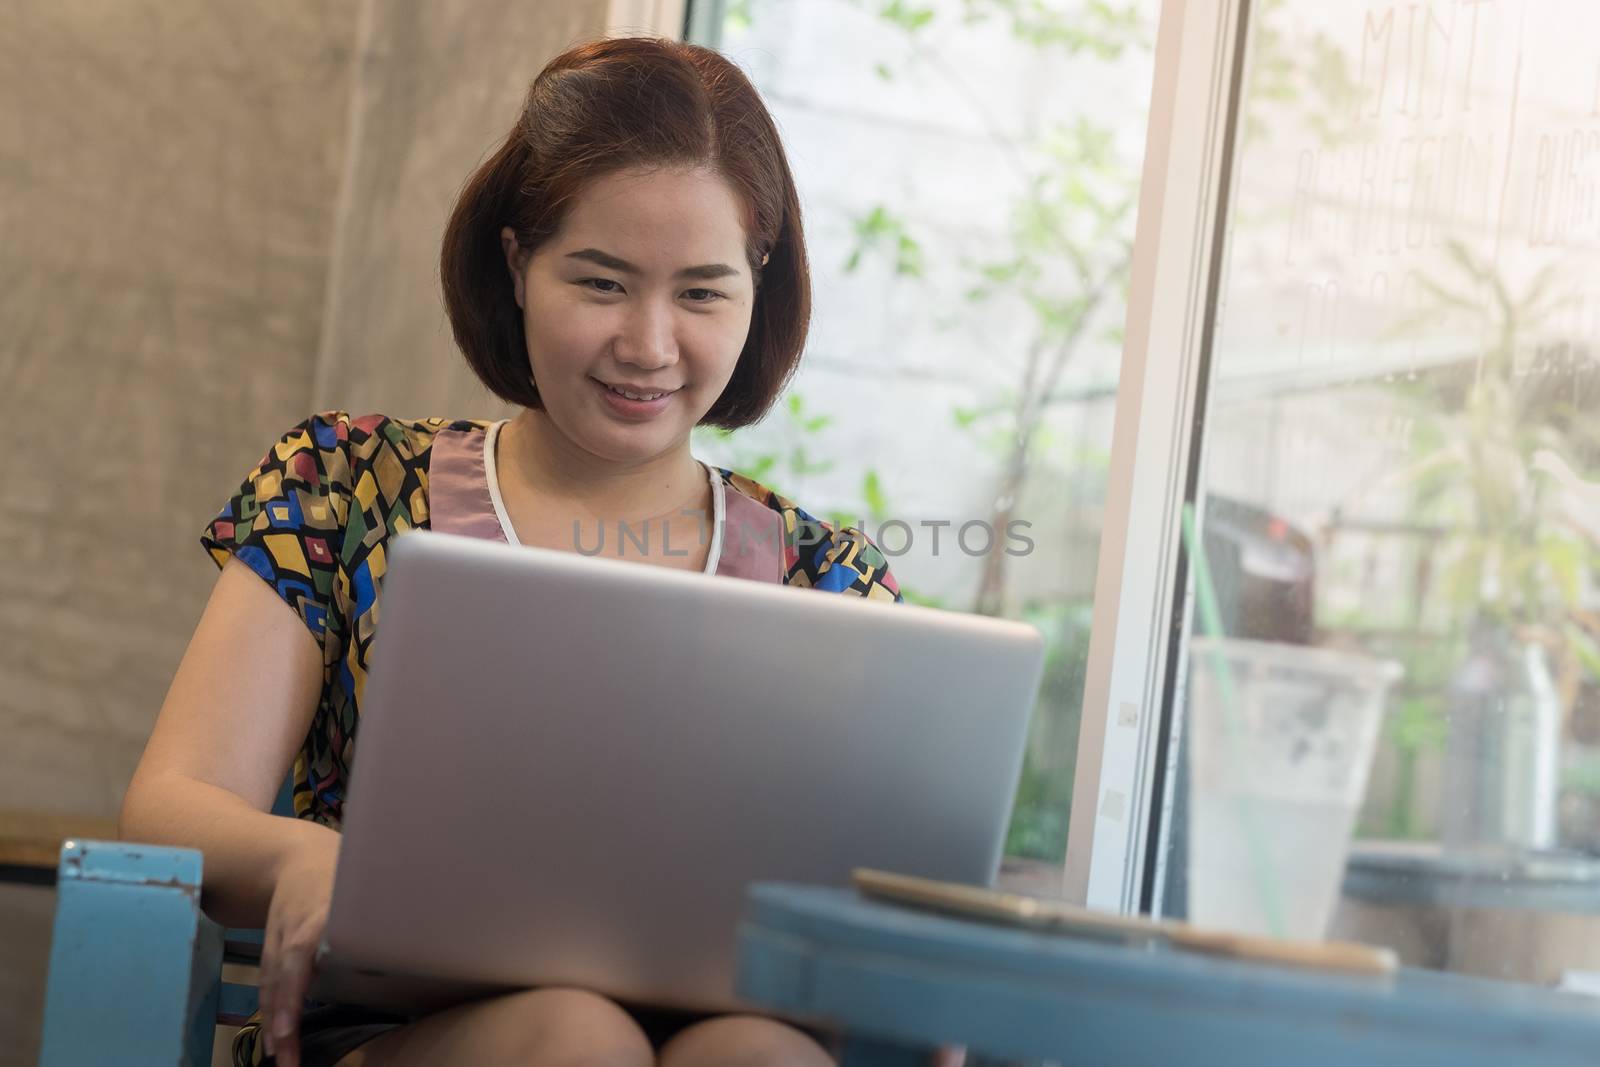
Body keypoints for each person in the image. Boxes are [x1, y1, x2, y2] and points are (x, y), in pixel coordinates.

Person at [119, 34, 920, 1067]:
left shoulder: (829, 579)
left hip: (716, 1032)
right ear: (516, 263)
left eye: (703, 292)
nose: (649, 343)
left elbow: (881, 891)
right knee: (574, 1037)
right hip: (385, 1031)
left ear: (759, 281)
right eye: (601, 282)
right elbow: (171, 805)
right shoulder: (346, 485)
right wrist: (304, 856)